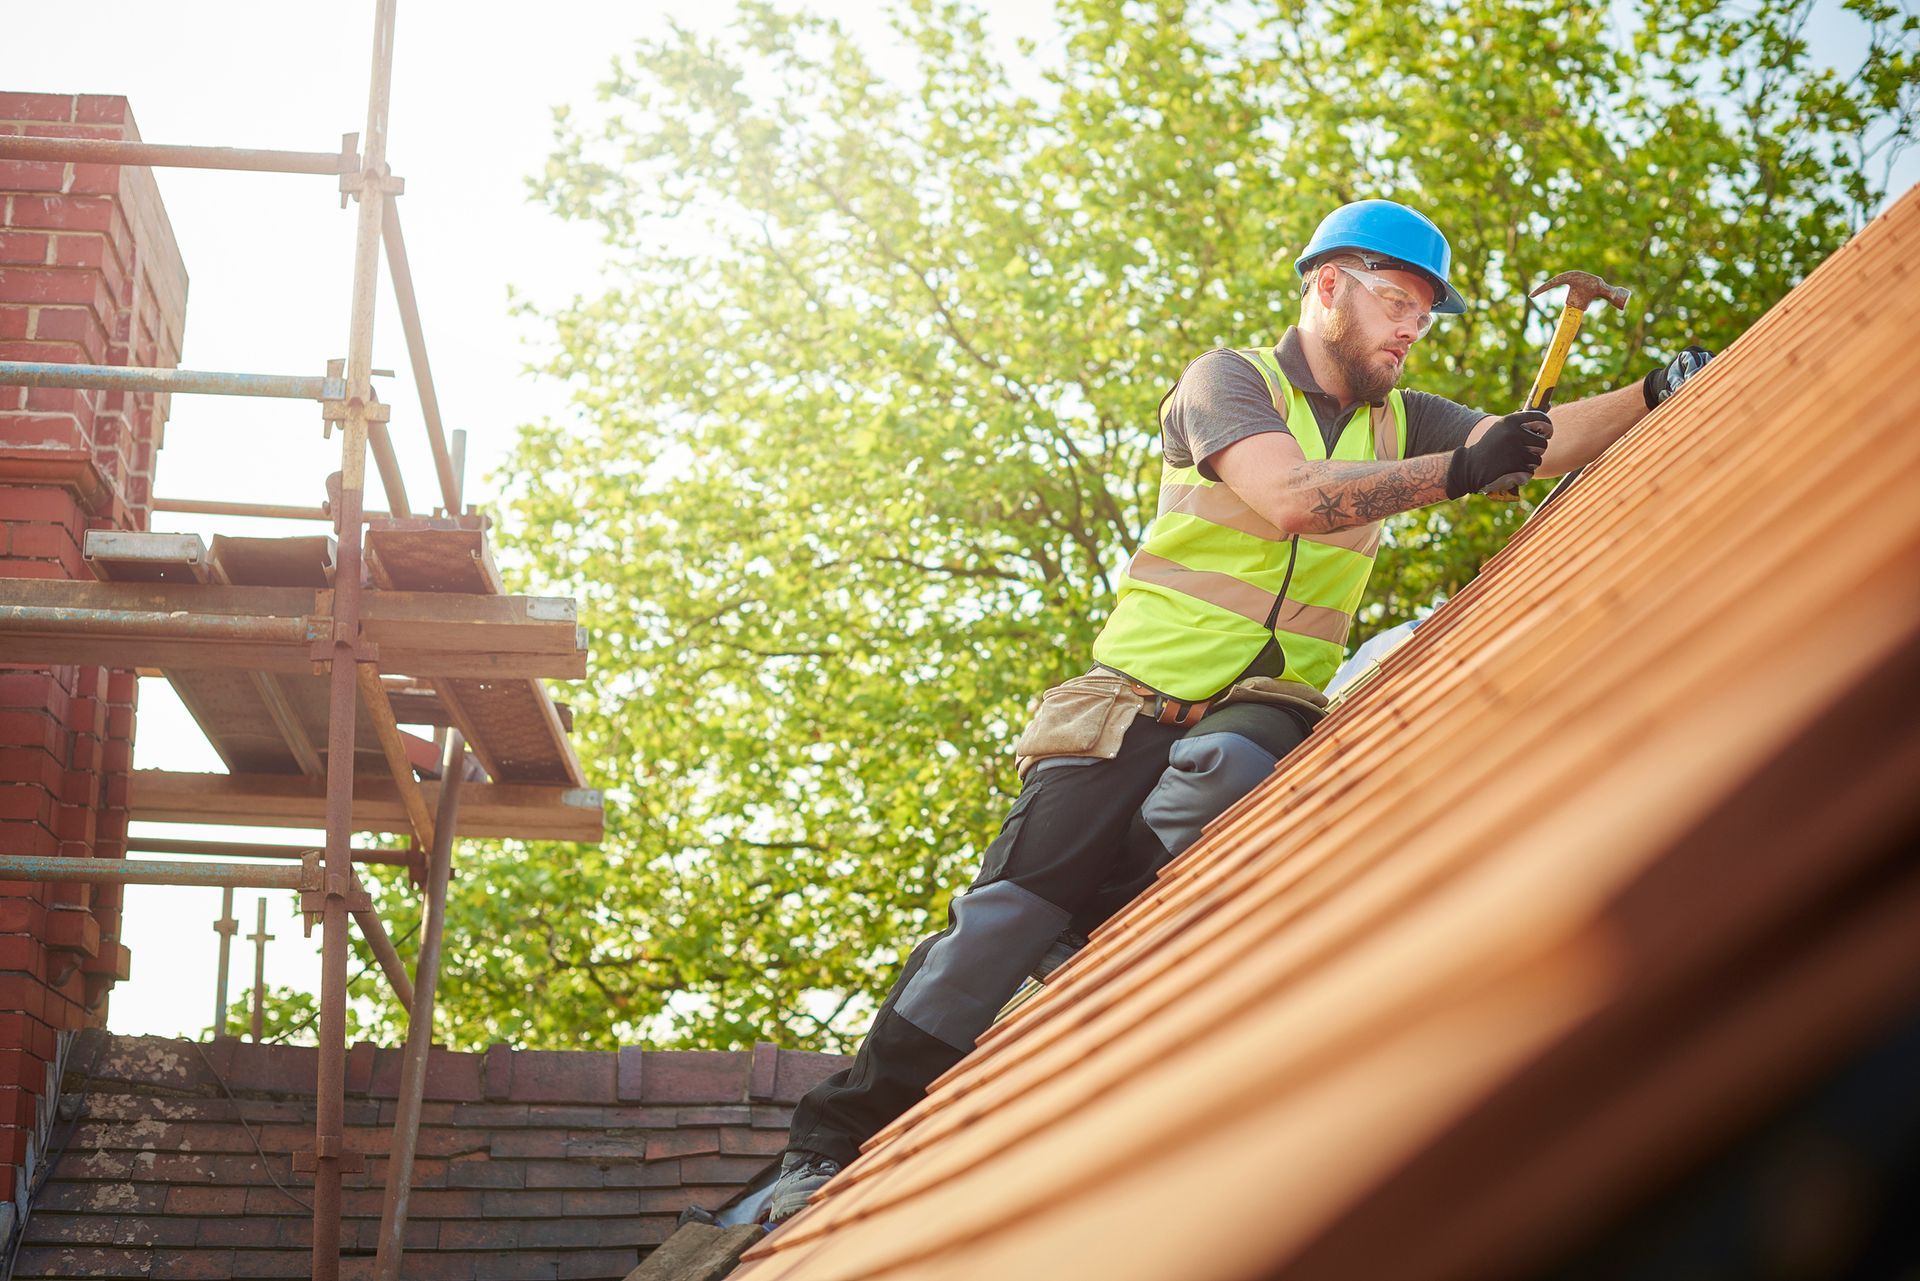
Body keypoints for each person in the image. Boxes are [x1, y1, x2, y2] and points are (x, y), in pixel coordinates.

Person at [765, 199, 1714, 1223]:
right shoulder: (1228, 383)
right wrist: (1461, 471)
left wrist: (1653, 392)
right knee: (993, 929)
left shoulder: (1407, 417)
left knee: (1228, 770)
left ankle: (1096, 920)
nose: (1408, 330)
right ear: (1326, 289)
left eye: (1423, 317)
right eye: (1394, 303)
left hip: (1261, 706)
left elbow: (1531, 443)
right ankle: (828, 1145)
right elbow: (1294, 497)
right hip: (1123, 706)